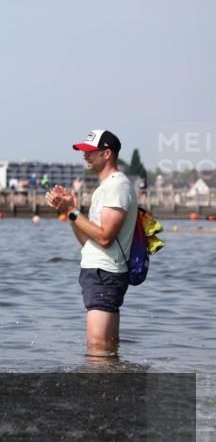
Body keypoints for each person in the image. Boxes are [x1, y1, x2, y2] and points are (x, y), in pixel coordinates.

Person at [46, 130, 137, 358]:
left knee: (97, 347)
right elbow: (87, 242)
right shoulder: (104, 188)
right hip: (98, 271)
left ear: (107, 153)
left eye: (90, 151)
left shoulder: (118, 186)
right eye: (83, 152)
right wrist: (70, 212)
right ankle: (112, 389)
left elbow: (105, 237)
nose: (85, 156)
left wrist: (72, 211)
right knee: (106, 347)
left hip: (105, 273)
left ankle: (98, 391)